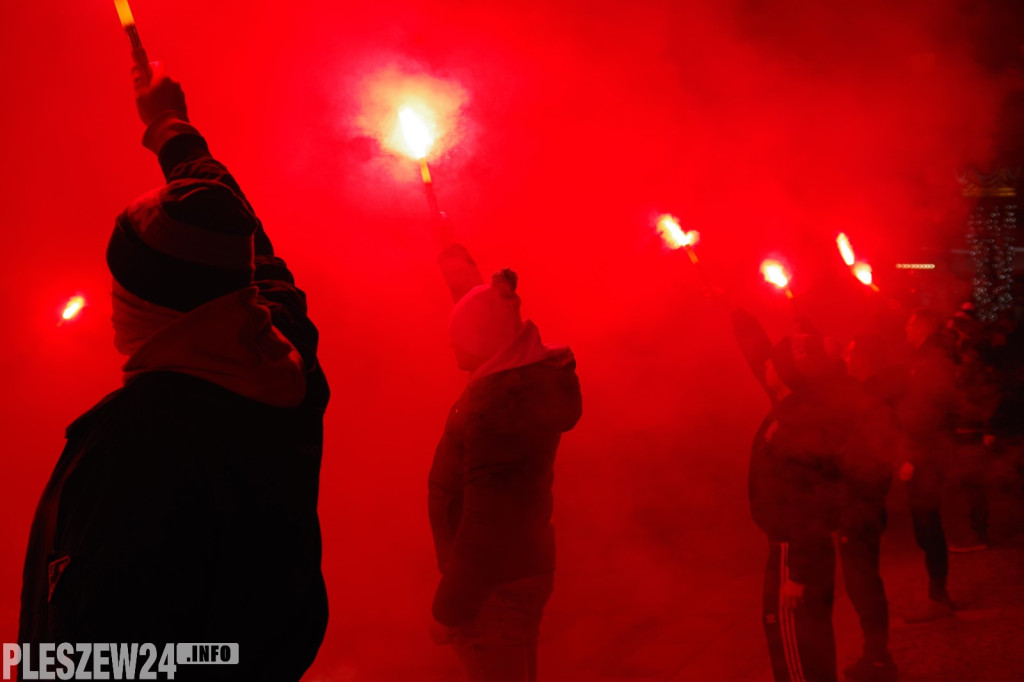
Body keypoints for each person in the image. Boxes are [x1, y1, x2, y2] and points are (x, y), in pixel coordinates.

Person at [19, 62, 329, 680]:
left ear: (139, 305)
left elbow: (92, 661)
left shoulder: (133, 449)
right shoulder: (286, 363)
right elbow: (246, 243)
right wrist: (170, 126)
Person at [428, 237, 582, 682]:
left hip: (492, 587)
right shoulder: (516, 375)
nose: (450, 347)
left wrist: (448, 608)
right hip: (513, 572)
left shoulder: (498, 406)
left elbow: (486, 522)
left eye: (457, 338)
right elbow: (489, 322)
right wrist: (459, 272)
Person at [734, 311, 860, 682]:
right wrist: (739, 317)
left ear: (789, 373)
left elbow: (810, 498)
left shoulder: (799, 423)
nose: (766, 366)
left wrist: (798, 572)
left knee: (796, 644)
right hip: (799, 547)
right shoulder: (798, 406)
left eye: (775, 362)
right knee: (810, 640)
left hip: (796, 549)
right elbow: (763, 360)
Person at [840, 334, 903, 682]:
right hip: (865, 505)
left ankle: (878, 657)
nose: (847, 359)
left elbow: (873, 460)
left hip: (859, 506)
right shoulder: (874, 399)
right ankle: (876, 653)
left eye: (851, 353)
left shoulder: (868, 404)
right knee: (864, 581)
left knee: (863, 583)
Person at [897, 308, 957, 611]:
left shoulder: (930, 363)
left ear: (920, 329)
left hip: (928, 457)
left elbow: (928, 416)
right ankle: (937, 591)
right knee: (925, 524)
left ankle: (939, 595)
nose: (906, 329)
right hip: (928, 454)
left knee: (928, 524)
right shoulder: (925, 359)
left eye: (909, 324)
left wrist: (913, 458)